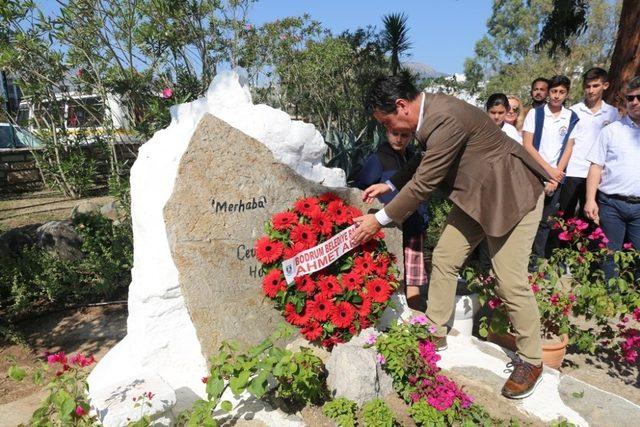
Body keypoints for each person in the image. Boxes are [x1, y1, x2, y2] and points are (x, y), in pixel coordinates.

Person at [352, 75, 551, 399]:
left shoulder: (444, 118)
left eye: (386, 120)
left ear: (401, 106)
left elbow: (424, 183)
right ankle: (436, 331)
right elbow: (423, 160)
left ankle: (532, 361)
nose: (388, 127)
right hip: (476, 198)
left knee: (509, 280)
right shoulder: (430, 113)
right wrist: (390, 185)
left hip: (512, 195)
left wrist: (379, 219)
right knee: (444, 259)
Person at [353, 130, 429, 311]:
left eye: (405, 135)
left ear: (411, 136)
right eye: (395, 133)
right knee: (391, 277)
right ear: (386, 132)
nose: (399, 139)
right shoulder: (378, 159)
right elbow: (360, 189)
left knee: (413, 278)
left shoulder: (414, 158)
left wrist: (424, 215)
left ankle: (416, 317)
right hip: (387, 228)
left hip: (413, 223)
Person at [584, 76, 640, 280]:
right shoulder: (611, 131)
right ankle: (608, 300)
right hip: (611, 205)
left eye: (639, 97)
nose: (634, 102)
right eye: (630, 98)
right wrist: (590, 199)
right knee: (609, 255)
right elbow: (595, 166)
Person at [522, 75, 579, 262]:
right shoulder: (535, 114)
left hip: (556, 177)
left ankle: (537, 262)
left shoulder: (571, 117)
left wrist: (555, 178)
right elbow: (528, 145)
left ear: (567, 94)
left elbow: (568, 147)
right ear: (548, 93)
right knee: (527, 220)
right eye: (554, 91)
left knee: (546, 222)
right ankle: (521, 259)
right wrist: (547, 171)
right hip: (534, 174)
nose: (556, 96)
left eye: (561, 92)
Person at [559, 68, 619, 218]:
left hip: (599, 176)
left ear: (605, 86)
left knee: (591, 221)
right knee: (564, 219)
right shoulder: (572, 112)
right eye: (587, 86)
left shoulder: (613, 114)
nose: (591, 90)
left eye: (595, 86)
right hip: (573, 172)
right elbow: (566, 144)